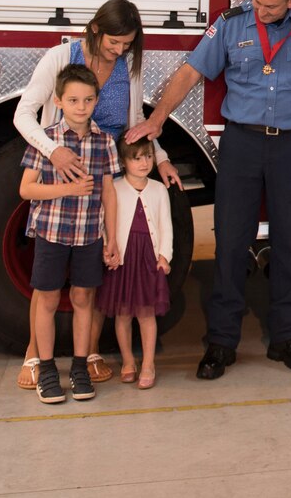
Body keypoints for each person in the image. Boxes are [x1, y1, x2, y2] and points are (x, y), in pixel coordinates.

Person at [126, 0, 291, 380]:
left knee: (287, 243)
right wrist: (156, 119)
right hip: (242, 144)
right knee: (230, 243)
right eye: (257, 2)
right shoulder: (231, 24)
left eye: (270, 7)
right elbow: (192, 71)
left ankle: (286, 336)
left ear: (290, 1)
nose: (260, 10)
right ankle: (221, 342)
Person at [13, 0, 181, 390]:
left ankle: (86, 355)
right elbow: (23, 114)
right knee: (49, 277)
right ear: (95, 29)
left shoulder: (128, 66)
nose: (120, 50)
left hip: (107, 171)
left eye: (127, 44)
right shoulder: (60, 58)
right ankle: (34, 353)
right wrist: (52, 150)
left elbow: (136, 121)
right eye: (114, 42)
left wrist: (162, 159)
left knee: (99, 268)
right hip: (62, 169)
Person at [19, 64, 120, 403]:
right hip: (52, 233)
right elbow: (27, 190)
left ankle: (79, 367)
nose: (81, 106)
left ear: (96, 101)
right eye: (74, 100)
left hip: (89, 235)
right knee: (47, 300)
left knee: (83, 300)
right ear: (59, 101)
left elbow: (108, 192)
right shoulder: (46, 141)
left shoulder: (104, 142)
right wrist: (67, 190)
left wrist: (112, 238)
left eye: (88, 99)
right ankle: (46, 369)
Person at [96, 133, 173, 390]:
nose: (144, 163)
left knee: (146, 313)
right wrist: (109, 249)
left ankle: (148, 363)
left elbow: (165, 224)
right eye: (136, 158)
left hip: (148, 259)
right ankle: (128, 361)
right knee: (123, 314)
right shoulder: (115, 188)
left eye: (148, 157)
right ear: (123, 162)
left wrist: (165, 255)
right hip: (124, 259)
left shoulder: (159, 190)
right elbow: (107, 224)